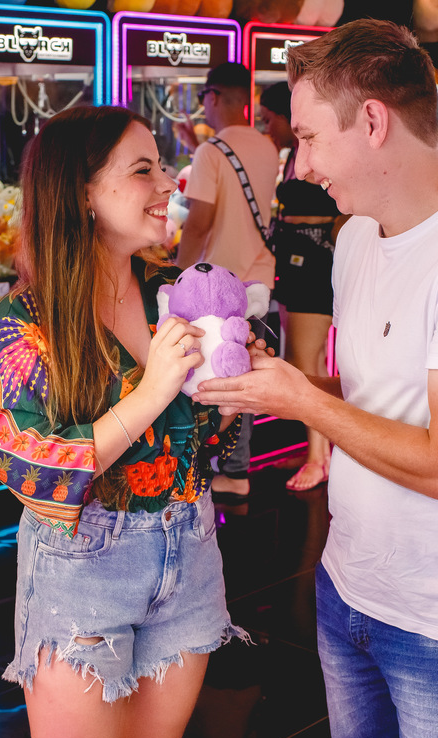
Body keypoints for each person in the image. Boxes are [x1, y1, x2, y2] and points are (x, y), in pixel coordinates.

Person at [194, 19, 438, 738]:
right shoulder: (360, 235)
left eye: (308, 138)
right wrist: (280, 383)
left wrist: (300, 398)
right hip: (350, 586)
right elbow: (372, 404)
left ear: (372, 120)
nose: (299, 164)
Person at [0, 106, 247, 738]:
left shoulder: (175, 298)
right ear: (83, 193)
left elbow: (201, 438)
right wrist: (152, 392)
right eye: (143, 170)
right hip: (82, 573)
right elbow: (33, 470)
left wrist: (235, 387)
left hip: (189, 556)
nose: (167, 183)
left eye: (162, 165)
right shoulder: (22, 329)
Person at [176, 62, 279, 503]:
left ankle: (220, 470)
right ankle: (237, 467)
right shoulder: (266, 146)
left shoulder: (211, 152)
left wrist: (175, 277)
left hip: (214, 291)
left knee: (206, 379)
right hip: (258, 281)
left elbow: (198, 224)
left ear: (213, 97)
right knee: (245, 371)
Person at [258, 81, 344, 492]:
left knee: (305, 362)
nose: (267, 128)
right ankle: (320, 450)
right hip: (295, 265)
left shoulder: (319, 154)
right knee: (309, 361)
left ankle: (318, 458)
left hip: (313, 266)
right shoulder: (293, 155)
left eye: (269, 120)